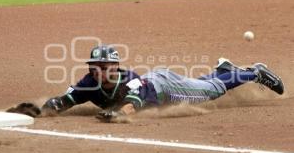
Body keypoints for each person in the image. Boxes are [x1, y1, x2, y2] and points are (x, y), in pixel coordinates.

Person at [99, 57, 284, 121]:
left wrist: (116, 115)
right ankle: (223, 71)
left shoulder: (132, 88)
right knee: (195, 86)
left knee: (208, 91)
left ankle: (255, 72)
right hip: (159, 80)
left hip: (165, 87)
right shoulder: (117, 82)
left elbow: (129, 108)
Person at [41, 44, 141, 116]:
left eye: (103, 67)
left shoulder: (131, 80)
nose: (97, 72)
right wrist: (48, 107)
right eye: (93, 68)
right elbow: (67, 100)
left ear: (115, 66)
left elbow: (131, 107)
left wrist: (118, 114)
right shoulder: (89, 83)